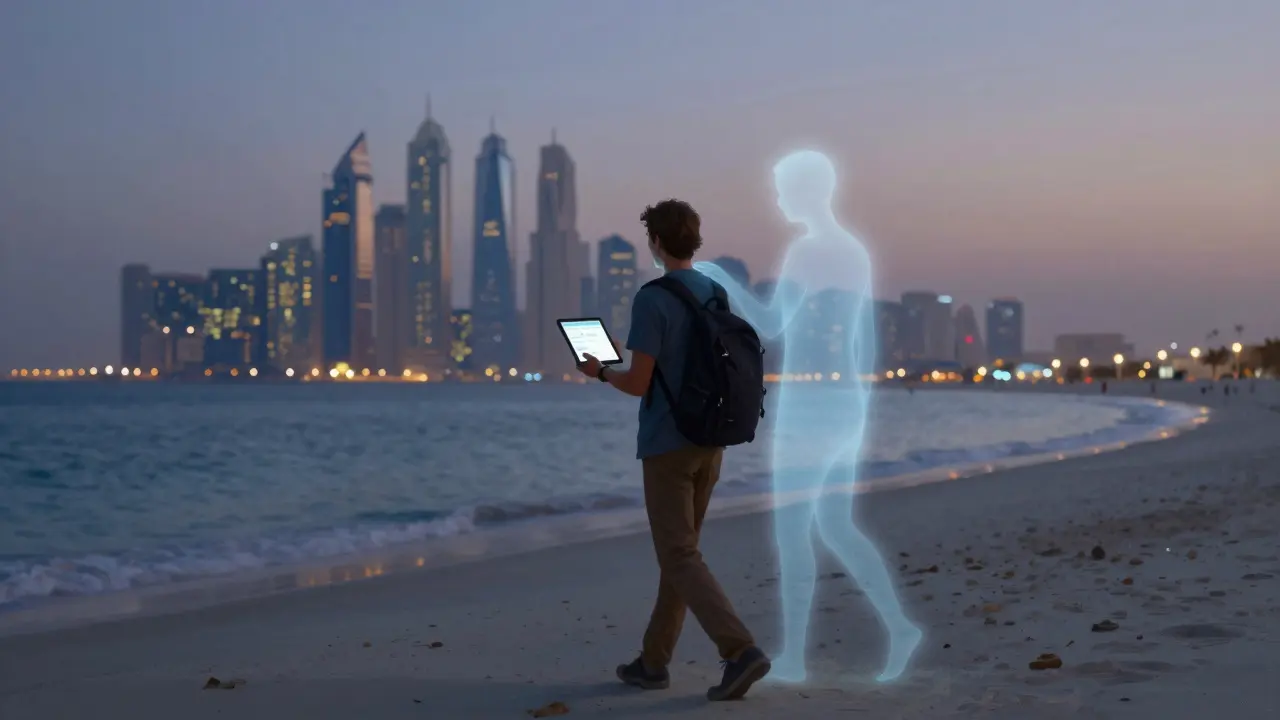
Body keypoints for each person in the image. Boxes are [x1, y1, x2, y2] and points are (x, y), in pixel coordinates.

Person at [695, 150, 921, 684]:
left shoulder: (809, 251)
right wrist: (860, 409)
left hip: (810, 411)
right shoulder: (854, 252)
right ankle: (898, 626)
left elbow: (771, 323)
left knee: (793, 532)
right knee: (838, 526)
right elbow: (862, 340)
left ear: (807, 189)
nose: (776, 198)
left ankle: (795, 658)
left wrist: (719, 278)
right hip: (846, 405)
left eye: (781, 188)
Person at [574, 199, 771, 702]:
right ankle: (653, 662)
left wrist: (598, 370)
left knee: (679, 554)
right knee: (681, 555)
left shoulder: (652, 298)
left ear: (656, 243)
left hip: (668, 445)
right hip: (712, 440)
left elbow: (639, 384)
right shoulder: (714, 292)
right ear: (693, 241)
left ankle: (740, 650)